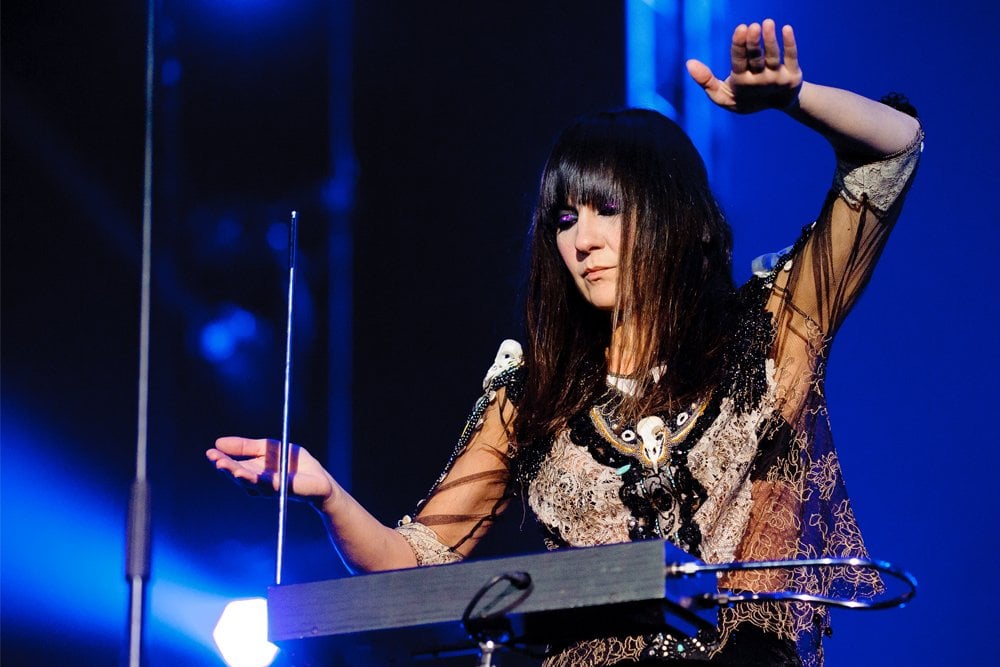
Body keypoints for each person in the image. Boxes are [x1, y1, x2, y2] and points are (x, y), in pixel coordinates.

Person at [207, 19, 922, 666]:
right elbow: (414, 564)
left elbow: (892, 151)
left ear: (683, 216)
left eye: (608, 210)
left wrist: (795, 97)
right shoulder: (534, 391)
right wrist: (324, 491)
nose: (581, 240)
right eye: (564, 218)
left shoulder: (770, 336)